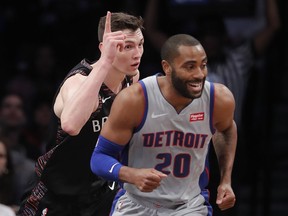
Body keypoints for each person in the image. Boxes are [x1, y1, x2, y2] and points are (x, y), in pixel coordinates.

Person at [91, 34, 237, 215]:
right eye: (190, 67)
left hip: (188, 206)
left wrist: (225, 180)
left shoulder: (218, 99)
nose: (199, 74)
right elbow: (99, 158)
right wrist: (131, 174)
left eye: (203, 65)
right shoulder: (135, 100)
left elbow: (226, 129)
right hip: (136, 203)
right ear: (167, 68)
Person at [18, 11, 144, 216]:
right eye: (127, 47)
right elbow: (71, 125)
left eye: (140, 44)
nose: (137, 53)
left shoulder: (131, 78)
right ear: (104, 49)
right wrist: (105, 61)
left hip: (97, 194)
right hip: (54, 196)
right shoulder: (78, 82)